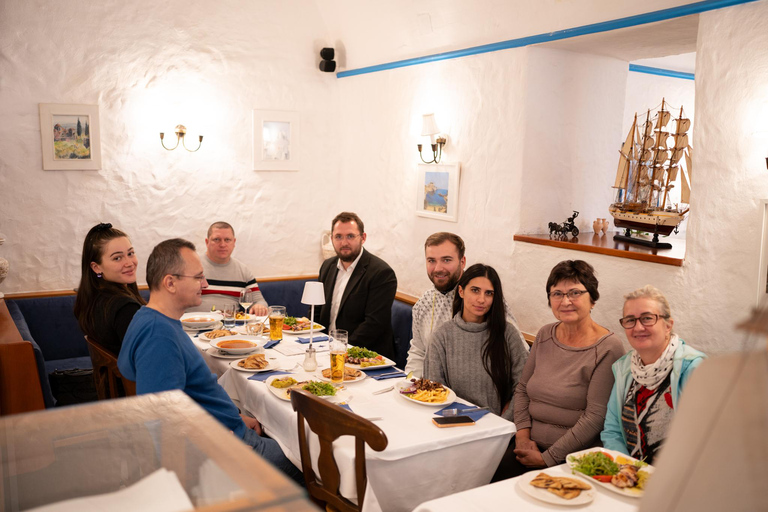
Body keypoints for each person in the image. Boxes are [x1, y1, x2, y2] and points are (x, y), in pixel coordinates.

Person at [118, 238, 302, 482]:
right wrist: (218, 450)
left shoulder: (149, 318)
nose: (204, 284)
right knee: (313, 463)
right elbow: (162, 422)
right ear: (170, 283)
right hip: (227, 448)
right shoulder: (158, 335)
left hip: (229, 428)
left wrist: (235, 416)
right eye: (197, 277)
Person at [511, 260, 625, 473]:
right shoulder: (545, 334)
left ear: (592, 299)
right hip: (528, 446)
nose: (565, 301)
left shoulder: (609, 347)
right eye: (557, 294)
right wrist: (522, 437)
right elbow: (522, 390)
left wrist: (548, 458)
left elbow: (595, 417)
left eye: (574, 293)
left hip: (572, 458)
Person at [601, 285, 705, 464]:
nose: (638, 327)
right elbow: (612, 431)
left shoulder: (693, 369)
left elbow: (702, 441)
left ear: (668, 325)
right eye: (630, 320)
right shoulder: (624, 367)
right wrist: (626, 470)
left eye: (647, 318)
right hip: (628, 475)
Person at [405, 232, 527, 378]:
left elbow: (521, 354)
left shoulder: (481, 302)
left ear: (462, 262)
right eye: (431, 260)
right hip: (431, 393)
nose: (438, 268)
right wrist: (410, 385)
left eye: (446, 260)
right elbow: (418, 353)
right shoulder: (422, 304)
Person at [424, 264, 528, 421]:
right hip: (453, 424)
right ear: (461, 291)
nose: (481, 299)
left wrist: (503, 423)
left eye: (489, 293)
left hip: (500, 427)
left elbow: (523, 387)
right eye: (475, 290)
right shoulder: (441, 336)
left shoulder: (508, 334)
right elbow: (436, 393)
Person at [317, 212, 397, 359]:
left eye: (350, 236)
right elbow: (316, 309)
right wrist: (316, 344)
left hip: (366, 357)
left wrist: (342, 351)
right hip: (327, 350)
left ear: (363, 238)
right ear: (332, 239)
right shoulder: (327, 266)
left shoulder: (381, 273)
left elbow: (374, 324)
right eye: (338, 236)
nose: (344, 242)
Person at [74, 223, 146, 354]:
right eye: (117, 258)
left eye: (130, 253)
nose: (129, 263)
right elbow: (147, 361)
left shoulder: (94, 298)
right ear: (96, 267)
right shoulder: (125, 308)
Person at [189, 221, 268, 315]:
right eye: (217, 239)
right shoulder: (190, 266)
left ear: (234, 242)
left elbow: (260, 301)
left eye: (227, 240)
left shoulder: (243, 270)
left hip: (230, 326)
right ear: (207, 242)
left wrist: (259, 306)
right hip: (193, 325)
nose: (222, 245)